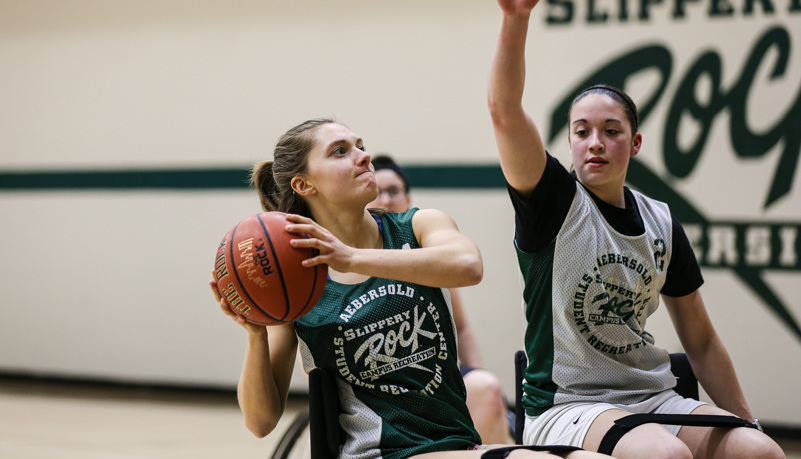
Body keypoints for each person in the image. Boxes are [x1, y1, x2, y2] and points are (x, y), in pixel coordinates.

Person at [487, 1, 786, 458]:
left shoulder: (661, 221)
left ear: (636, 142)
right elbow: (504, 111)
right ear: (568, 141)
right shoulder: (552, 202)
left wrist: (750, 422)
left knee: (759, 452)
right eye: (582, 131)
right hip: (568, 404)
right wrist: (516, 18)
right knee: (665, 455)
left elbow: (701, 339)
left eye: (611, 130)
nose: (596, 143)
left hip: (649, 395)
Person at [211, 118, 607, 459]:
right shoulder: (300, 283)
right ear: (303, 184)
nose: (363, 156)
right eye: (339, 151)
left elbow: (468, 266)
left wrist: (351, 258)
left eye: (360, 146)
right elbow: (261, 422)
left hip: (456, 446)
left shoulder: (418, 226)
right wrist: (254, 333)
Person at [368, 154, 515, 445]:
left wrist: (476, 375)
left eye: (393, 191)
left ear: (407, 198)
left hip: (441, 374)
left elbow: (461, 327)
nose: (385, 199)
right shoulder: (348, 261)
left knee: (486, 389)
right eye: (377, 192)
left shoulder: (427, 251)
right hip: (384, 386)